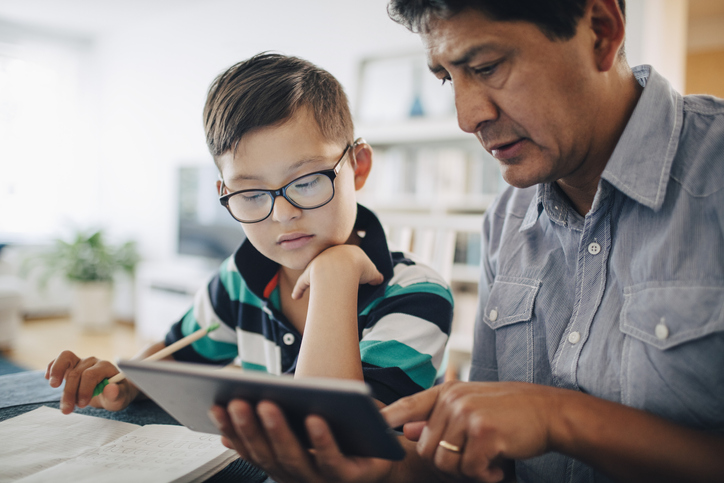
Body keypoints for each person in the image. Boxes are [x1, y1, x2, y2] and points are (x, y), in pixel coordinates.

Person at [206, 1, 724, 482]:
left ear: (601, 31)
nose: (466, 116)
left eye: (487, 66)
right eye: (446, 77)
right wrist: (387, 467)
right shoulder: (508, 219)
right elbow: (486, 465)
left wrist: (560, 418)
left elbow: (538, 421)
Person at [45, 53, 454, 419]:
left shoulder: (416, 296)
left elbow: (336, 437)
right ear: (225, 195)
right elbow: (177, 354)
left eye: (308, 181)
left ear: (358, 166)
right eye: (253, 194)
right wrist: (127, 381)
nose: (283, 213)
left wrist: (335, 277)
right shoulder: (239, 280)